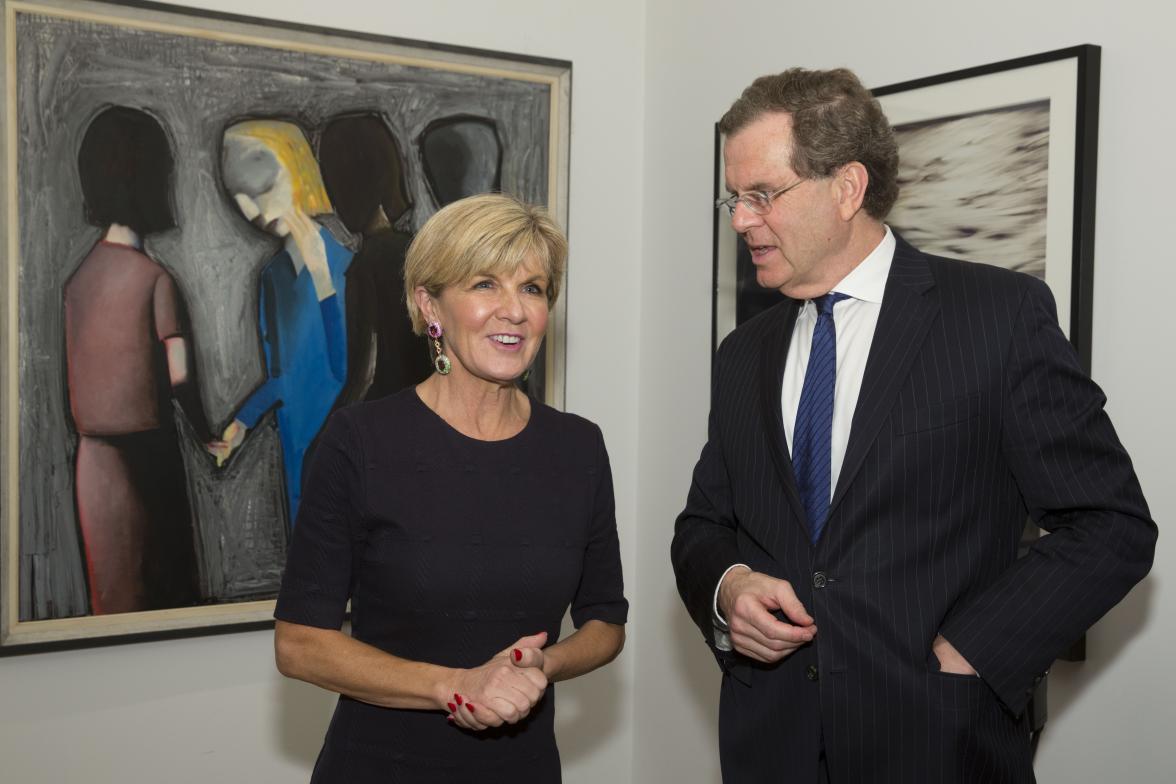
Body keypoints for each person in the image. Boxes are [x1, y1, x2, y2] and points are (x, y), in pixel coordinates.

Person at [670, 68, 1156, 783]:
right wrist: (729, 587)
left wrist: (973, 653)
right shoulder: (743, 354)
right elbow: (703, 526)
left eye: (762, 195)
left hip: (939, 743)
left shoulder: (998, 318)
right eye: (734, 198)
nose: (741, 219)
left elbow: (1110, 525)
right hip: (770, 745)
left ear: (847, 188)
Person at [273, 193, 627, 783]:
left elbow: (606, 623)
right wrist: (454, 686)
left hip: (525, 769)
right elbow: (300, 644)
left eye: (533, 288)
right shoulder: (360, 440)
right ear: (428, 305)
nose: (514, 310)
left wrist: (544, 662)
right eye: (485, 284)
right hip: (381, 767)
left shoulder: (579, 448)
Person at [65, 105, 212, 614]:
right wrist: (209, 435)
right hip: (147, 460)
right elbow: (180, 378)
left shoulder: (78, 282)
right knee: (165, 594)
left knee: (114, 600)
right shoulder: (155, 280)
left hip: (93, 466)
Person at [211, 120, 354, 526]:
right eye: (241, 198)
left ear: (298, 173)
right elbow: (282, 375)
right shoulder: (272, 277)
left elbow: (348, 367)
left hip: (341, 442)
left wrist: (324, 279)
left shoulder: (346, 266)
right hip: (296, 443)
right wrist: (240, 424)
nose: (254, 211)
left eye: (262, 190)